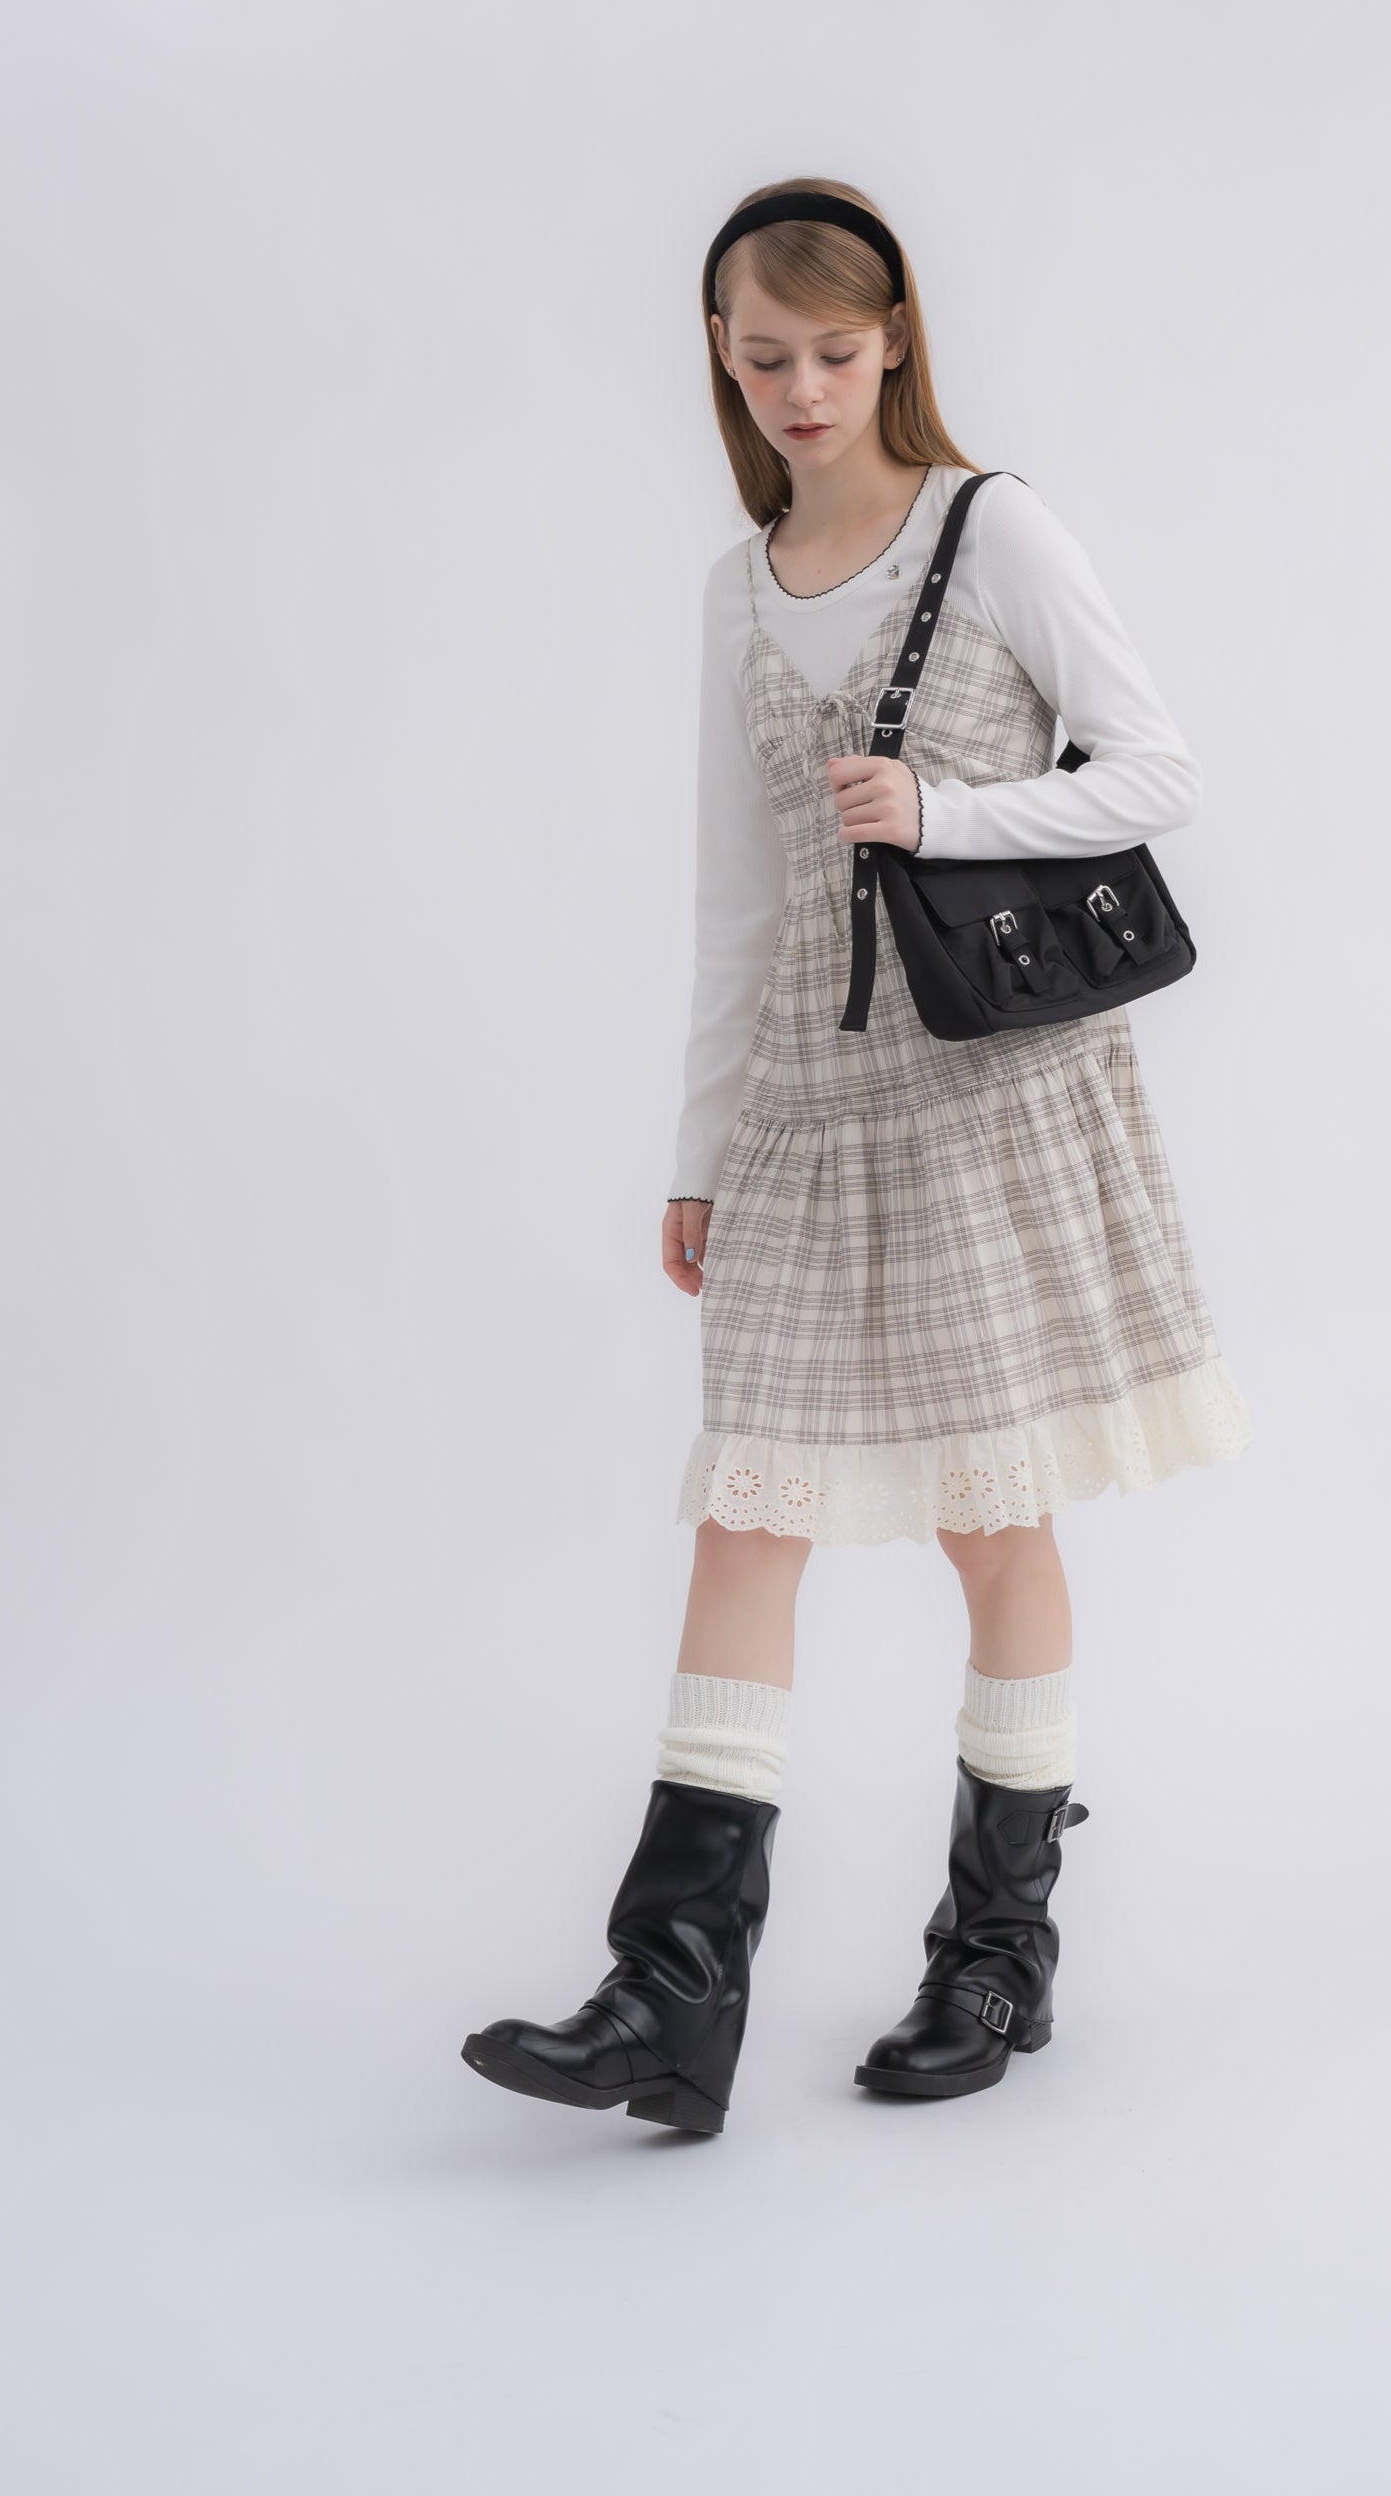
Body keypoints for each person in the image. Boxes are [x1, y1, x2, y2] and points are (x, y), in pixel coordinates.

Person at [462, 177, 1253, 2135]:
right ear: (720, 360)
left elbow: (1156, 767)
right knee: (748, 1514)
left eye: (832, 348)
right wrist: (698, 1156)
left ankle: (997, 1948)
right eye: (764, 357)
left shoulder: (994, 527)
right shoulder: (735, 588)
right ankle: (673, 1986)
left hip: (984, 1104)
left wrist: (942, 810)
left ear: (894, 337)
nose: (802, 388)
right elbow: (737, 905)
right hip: (807, 1122)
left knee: (993, 1521)